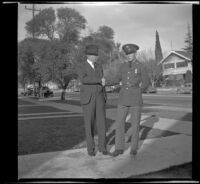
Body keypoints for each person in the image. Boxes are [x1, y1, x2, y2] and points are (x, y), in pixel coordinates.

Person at [104, 43, 149, 158]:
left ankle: (133, 148)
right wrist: (106, 81)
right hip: (123, 97)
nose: (129, 55)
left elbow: (146, 82)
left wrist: (139, 90)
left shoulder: (141, 66)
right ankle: (119, 148)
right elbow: (117, 78)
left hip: (135, 98)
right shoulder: (122, 66)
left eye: (131, 53)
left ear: (135, 53)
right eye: (127, 54)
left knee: (135, 125)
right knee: (119, 123)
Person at [76, 44, 108, 156]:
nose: (96, 57)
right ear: (88, 55)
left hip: (100, 97)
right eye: (94, 55)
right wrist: (99, 80)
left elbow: (102, 80)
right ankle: (91, 149)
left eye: (96, 55)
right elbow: (84, 79)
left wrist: (103, 85)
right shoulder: (81, 66)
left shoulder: (99, 66)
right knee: (89, 125)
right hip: (88, 99)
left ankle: (103, 148)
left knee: (102, 123)